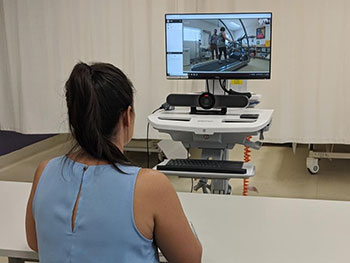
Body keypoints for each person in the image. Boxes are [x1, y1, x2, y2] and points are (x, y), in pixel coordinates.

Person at [25, 62, 202, 263]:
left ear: (74, 120)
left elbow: (35, 242)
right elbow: (190, 258)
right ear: (127, 116)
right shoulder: (149, 186)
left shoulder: (44, 171)